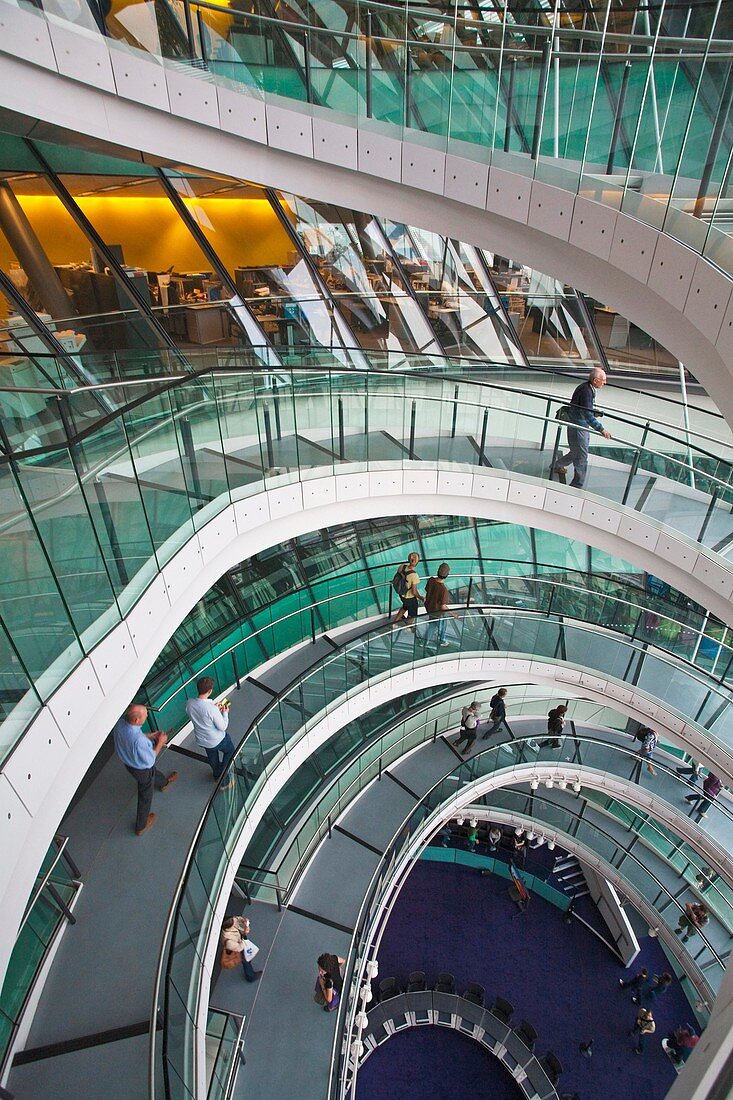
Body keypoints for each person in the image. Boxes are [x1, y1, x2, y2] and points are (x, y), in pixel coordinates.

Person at [112, 704, 178, 836]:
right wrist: (160, 742)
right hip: (141, 769)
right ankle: (141, 825)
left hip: (129, 763)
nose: (147, 715)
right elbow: (150, 760)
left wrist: (149, 736)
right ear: (137, 720)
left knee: (152, 774)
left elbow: (132, 737)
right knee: (145, 794)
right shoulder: (139, 741)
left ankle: (164, 783)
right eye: (145, 714)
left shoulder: (120, 724)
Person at [554, 367, 611, 488]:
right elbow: (587, 414)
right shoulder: (587, 391)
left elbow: (583, 409)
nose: (605, 382)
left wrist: (594, 412)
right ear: (595, 380)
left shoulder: (585, 388)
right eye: (603, 380)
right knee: (582, 456)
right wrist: (601, 429)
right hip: (579, 427)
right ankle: (577, 485)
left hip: (575, 424)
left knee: (576, 451)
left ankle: (557, 466)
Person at [185, 676, 235, 784]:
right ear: (210, 691)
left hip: (202, 740)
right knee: (230, 751)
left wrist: (214, 708)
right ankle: (224, 779)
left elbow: (200, 714)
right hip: (217, 739)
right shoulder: (211, 709)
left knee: (213, 757)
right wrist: (225, 713)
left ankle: (217, 776)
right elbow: (222, 727)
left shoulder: (189, 703)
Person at [220, 915, 260, 982]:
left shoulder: (230, 922)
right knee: (246, 960)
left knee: (246, 958)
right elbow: (239, 948)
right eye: (234, 923)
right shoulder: (229, 941)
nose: (235, 921)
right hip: (236, 948)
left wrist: (244, 921)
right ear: (229, 927)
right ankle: (250, 976)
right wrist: (245, 934)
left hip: (239, 940)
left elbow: (237, 919)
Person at [422, 562, 453, 646]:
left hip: (429, 608)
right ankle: (442, 640)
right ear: (447, 575)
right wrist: (453, 613)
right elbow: (443, 606)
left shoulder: (431, 580)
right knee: (442, 624)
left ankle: (424, 642)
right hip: (437, 612)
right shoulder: (443, 590)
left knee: (432, 624)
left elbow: (427, 590)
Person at [392, 552, 424, 630]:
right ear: (417, 562)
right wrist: (421, 598)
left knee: (404, 607)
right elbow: (414, 592)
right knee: (412, 614)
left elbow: (397, 577)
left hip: (401, 594)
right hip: (410, 598)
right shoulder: (414, 576)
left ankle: (394, 623)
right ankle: (408, 626)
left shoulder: (402, 567)